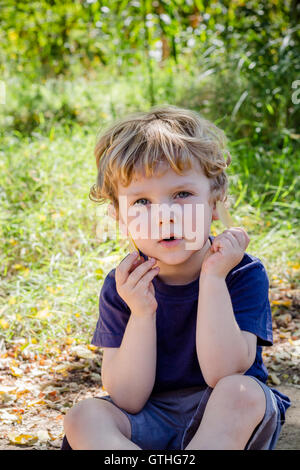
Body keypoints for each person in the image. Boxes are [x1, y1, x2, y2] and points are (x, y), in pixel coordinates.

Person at [61, 105, 290, 450]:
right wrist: (141, 313)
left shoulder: (241, 272)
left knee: (241, 392)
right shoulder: (124, 285)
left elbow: (223, 372)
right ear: (120, 218)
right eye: (141, 201)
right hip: (150, 418)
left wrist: (213, 279)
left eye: (182, 195)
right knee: (84, 417)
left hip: (224, 417)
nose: (165, 216)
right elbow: (128, 399)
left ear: (215, 202)